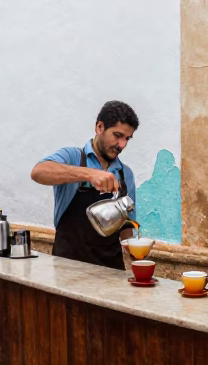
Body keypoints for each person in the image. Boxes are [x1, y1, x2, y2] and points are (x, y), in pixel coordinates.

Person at [31, 101, 139, 270]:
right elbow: (39, 172)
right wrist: (89, 174)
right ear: (99, 127)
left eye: (127, 139)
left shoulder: (126, 174)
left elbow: (126, 226)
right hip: (68, 269)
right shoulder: (72, 157)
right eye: (117, 135)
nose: (122, 145)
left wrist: (136, 252)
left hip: (111, 271)